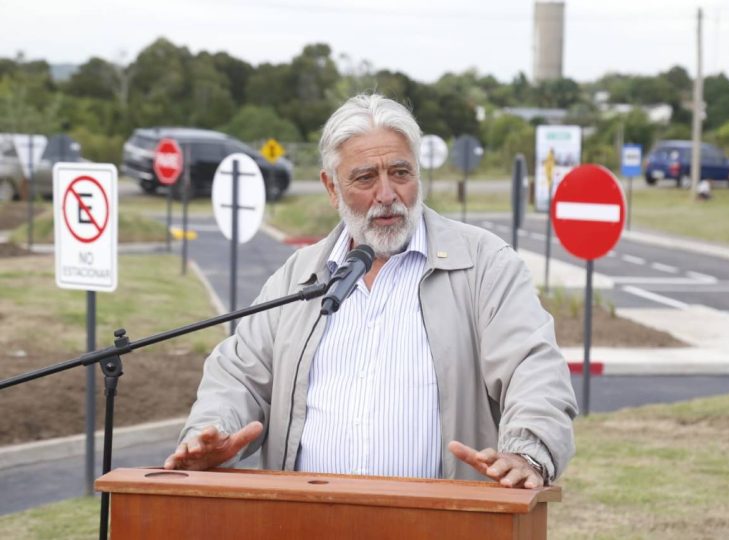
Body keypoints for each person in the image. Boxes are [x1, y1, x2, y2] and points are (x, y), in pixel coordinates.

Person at [164, 94, 578, 489]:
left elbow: (534, 366)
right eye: (365, 177)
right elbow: (239, 375)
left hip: (441, 524)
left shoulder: (485, 264)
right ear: (331, 188)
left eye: (400, 173)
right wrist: (210, 433)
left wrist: (529, 451)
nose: (387, 195)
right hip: (307, 522)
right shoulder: (299, 277)